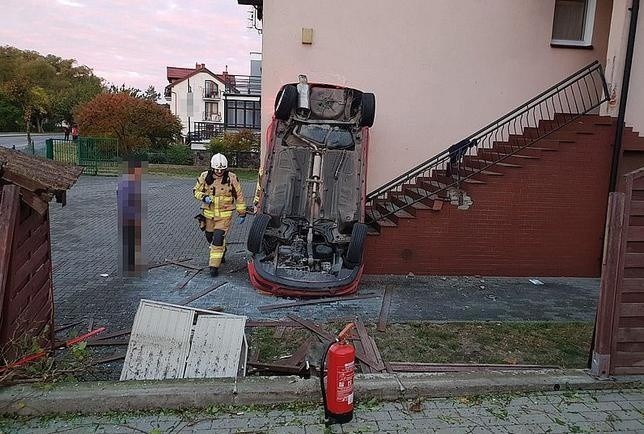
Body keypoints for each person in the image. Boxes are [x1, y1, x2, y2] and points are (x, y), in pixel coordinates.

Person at [193, 153, 246, 276]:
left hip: (224, 215)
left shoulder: (231, 178)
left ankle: (214, 267)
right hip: (208, 215)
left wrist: (242, 213)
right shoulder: (204, 176)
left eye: (222, 169)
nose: (219, 171)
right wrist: (204, 197)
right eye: (217, 169)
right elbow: (195, 191)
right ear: (212, 168)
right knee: (209, 237)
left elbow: (239, 196)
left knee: (217, 239)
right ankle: (223, 249)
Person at [117, 160, 146, 277]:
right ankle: (129, 266)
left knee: (133, 242)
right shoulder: (126, 184)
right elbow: (125, 203)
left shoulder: (132, 183)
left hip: (132, 217)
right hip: (128, 218)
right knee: (129, 242)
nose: (140, 174)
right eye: (139, 171)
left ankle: (132, 264)